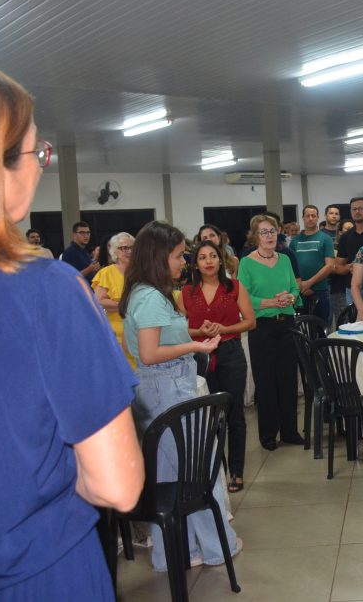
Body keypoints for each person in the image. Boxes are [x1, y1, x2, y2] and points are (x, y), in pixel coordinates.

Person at [0, 61, 143, 600]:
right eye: (36, 152)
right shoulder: (45, 289)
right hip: (34, 577)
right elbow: (118, 484)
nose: (42, 166)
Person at [120, 221, 239, 572]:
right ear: (158, 258)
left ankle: (183, 550)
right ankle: (219, 548)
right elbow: (150, 352)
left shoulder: (144, 293)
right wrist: (196, 345)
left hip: (157, 387)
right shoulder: (151, 296)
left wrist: (190, 333)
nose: (181, 263)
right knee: (196, 471)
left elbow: (152, 338)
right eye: (176, 256)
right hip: (167, 386)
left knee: (172, 473)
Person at [179, 240, 256, 493]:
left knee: (233, 412)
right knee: (207, 416)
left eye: (213, 256)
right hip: (199, 357)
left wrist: (225, 329)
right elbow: (179, 330)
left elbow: (250, 322)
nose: (209, 261)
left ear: (221, 260)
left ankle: (236, 471)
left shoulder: (234, 286)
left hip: (231, 353)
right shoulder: (186, 292)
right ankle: (215, 471)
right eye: (202, 257)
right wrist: (199, 331)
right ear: (196, 263)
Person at [238, 214, 303, 450]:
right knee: (265, 382)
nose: (269, 236)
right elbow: (242, 298)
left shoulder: (285, 259)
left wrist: (290, 297)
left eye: (273, 231)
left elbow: (296, 288)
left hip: (286, 324)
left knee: (288, 379)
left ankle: (290, 431)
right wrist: (270, 302)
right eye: (264, 232)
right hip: (262, 328)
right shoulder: (246, 262)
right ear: (255, 236)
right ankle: (268, 435)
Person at [92, 232, 137, 367]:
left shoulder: (141, 272)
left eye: (131, 247)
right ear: (114, 251)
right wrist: (124, 304)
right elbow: (99, 300)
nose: (128, 251)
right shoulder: (106, 272)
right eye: (124, 248)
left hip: (139, 330)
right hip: (116, 332)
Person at [290, 204, 335, 326]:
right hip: (299, 292)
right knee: (300, 333)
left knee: (321, 330)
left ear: (318, 218)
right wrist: (301, 286)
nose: (310, 218)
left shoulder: (325, 239)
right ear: (303, 218)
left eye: (313, 216)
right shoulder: (295, 241)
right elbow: (290, 267)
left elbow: (330, 266)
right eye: (307, 215)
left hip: (320, 291)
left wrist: (309, 283)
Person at [333, 197, 363, 322]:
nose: (357, 211)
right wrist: (349, 267)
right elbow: (338, 267)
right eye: (354, 209)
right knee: (355, 323)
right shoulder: (346, 236)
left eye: (361, 208)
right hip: (353, 288)